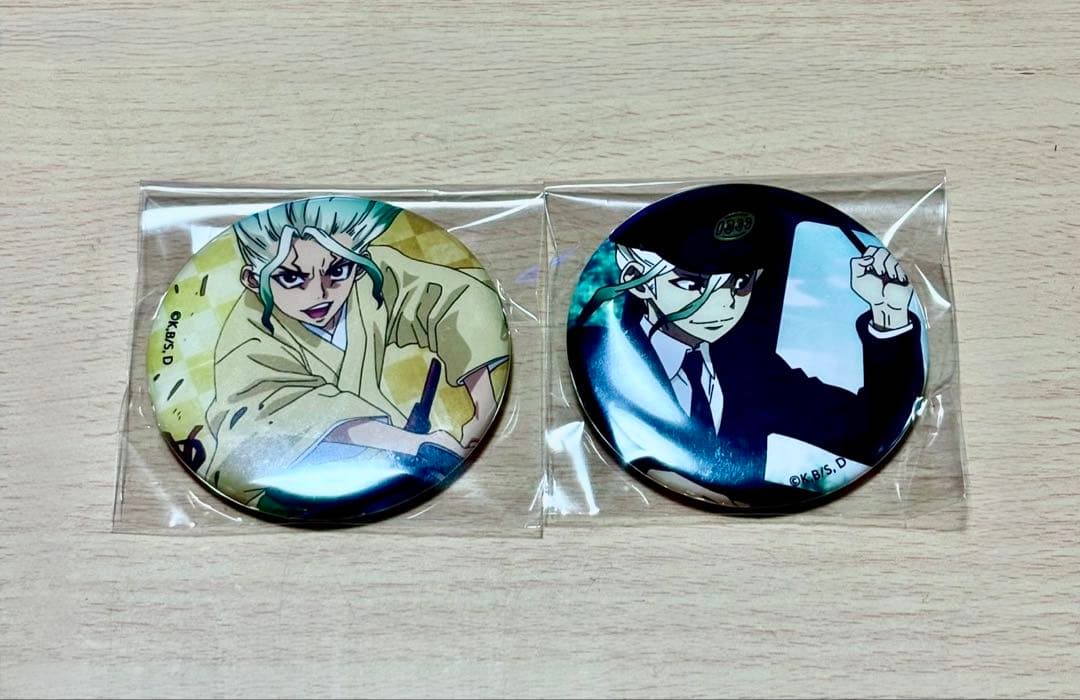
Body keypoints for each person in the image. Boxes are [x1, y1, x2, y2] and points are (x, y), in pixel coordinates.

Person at [569, 186, 924, 507]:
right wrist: (653, 463)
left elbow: (867, 428)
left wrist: (888, 315)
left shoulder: (751, 368)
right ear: (637, 280)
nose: (723, 306)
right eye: (691, 284)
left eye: (740, 284)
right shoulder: (600, 353)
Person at [198, 197, 509, 512]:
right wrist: (412, 444)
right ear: (253, 280)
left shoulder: (368, 277)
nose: (320, 293)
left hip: (389, 460)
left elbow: (454, 303)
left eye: (337, 270)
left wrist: (482, 409)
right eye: (291, 278)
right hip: (291, 485)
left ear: (358, 264)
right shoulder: (249, 334)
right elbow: (283, 415)